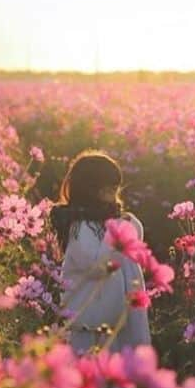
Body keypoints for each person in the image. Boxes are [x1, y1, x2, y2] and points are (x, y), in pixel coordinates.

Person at [50, 150, 152, 360]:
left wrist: (124, 225)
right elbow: (99, 267)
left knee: (116, 382)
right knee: (93, 385)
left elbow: (133, 246)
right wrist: (122, 228)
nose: (114, 192)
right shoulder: (79, 228)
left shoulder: (108, 221)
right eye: (108, 188)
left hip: (116, 323)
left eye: (115, 187)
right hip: (89, 327)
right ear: (90, 189)